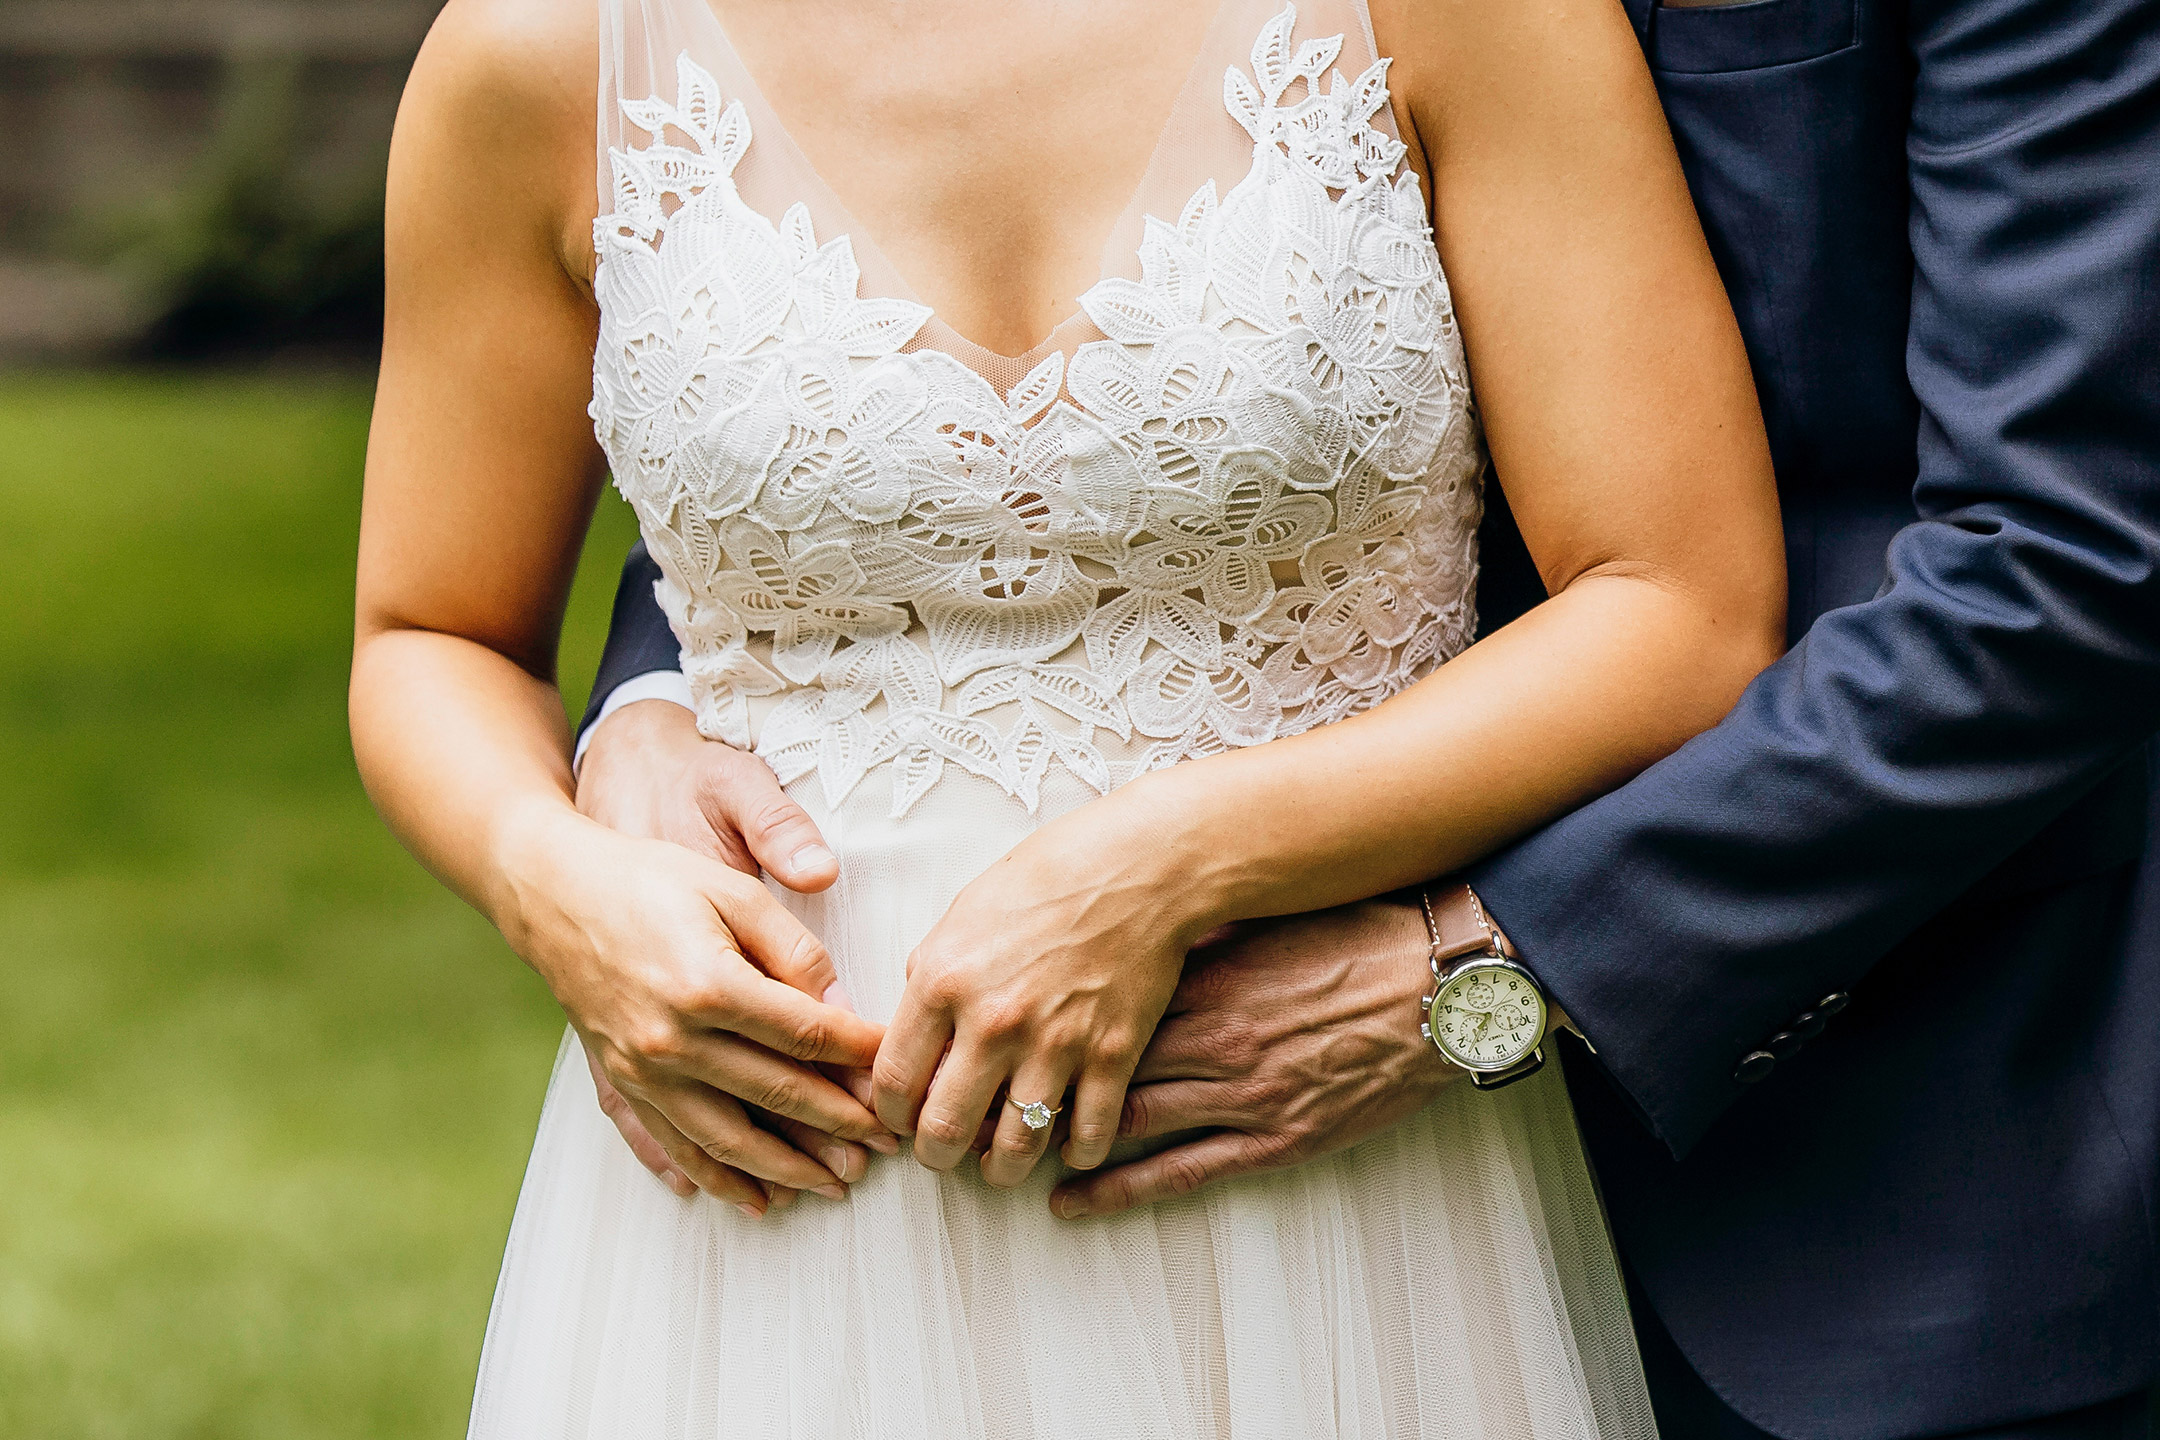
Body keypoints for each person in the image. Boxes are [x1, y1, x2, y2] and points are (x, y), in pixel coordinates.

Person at [573, 0, 2160, 1437]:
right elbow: (899, 340)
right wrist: (654, 705)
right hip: (1038, 1136)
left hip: (1880, 1158)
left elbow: (2071, 558)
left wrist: (1494, 969)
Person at [351, 0, 1790, 1432]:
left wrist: (1176, 859)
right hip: (775, 1172)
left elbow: (1679, 609)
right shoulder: (544, 50)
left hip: (1313, 1157)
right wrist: (553, 883)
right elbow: (432, 632)